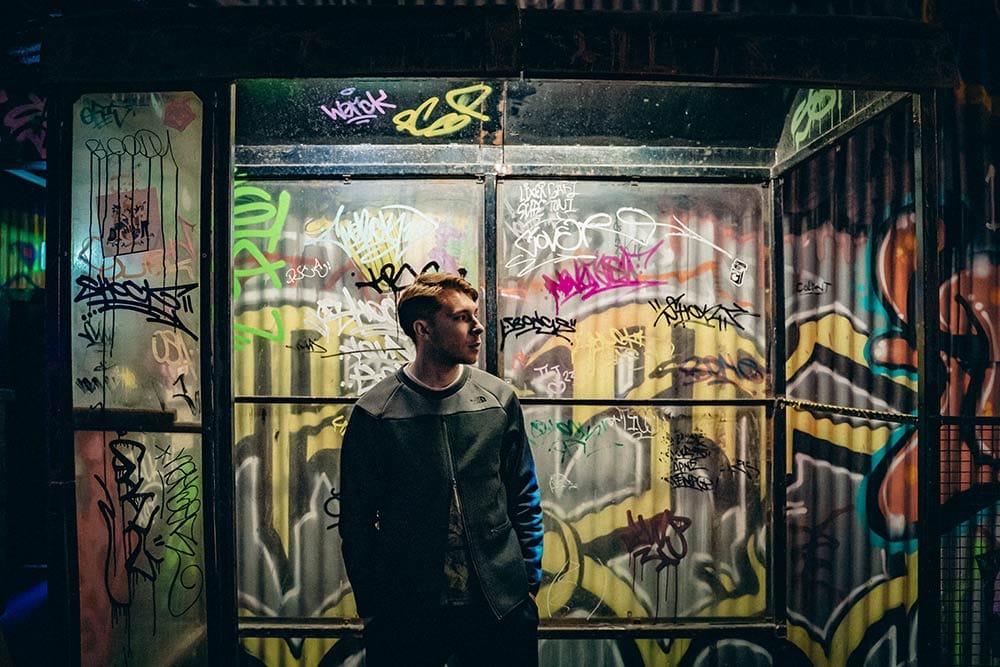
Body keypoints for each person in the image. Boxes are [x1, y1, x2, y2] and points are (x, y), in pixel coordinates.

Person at [338, 272, 544, 667]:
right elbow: (356, 521)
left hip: (499, 604)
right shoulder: (376, 413)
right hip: (407, 609)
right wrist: (372, 604)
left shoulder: (498, 400)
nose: (478, 326)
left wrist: (528, 581)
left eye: (475, 315)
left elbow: (524, 495)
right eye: (462, 317)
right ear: (424, 329)